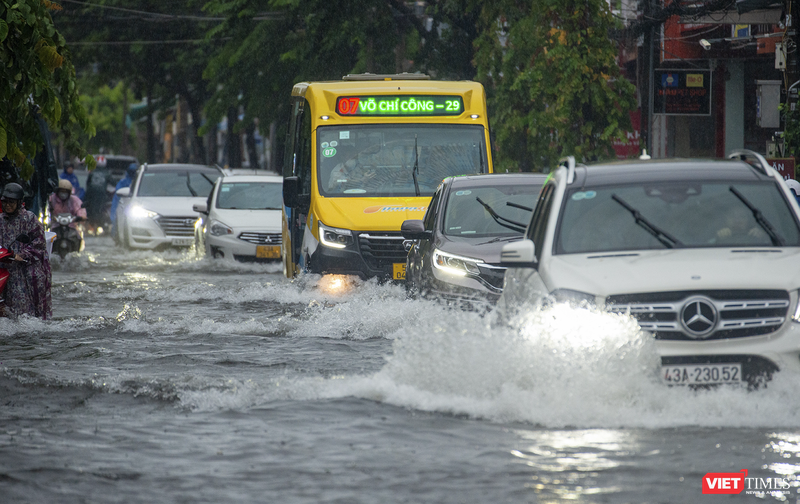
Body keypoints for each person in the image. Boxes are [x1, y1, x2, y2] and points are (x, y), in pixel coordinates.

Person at [0, 183, 51, 319]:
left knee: (26, 315)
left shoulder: (29, 219)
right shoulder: (0, 220)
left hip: (26, 271)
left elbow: (39, 243)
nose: (8, 205)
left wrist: (21, 255)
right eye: (5, 202)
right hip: (5, 270)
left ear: (19, 202)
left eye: (11, 202)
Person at [109, 163, 137, 239]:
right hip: (121, 206)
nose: (133, 173)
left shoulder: (138, 182)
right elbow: (118, 194)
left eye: (134, 171)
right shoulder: (123, 182)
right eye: (132, 171)